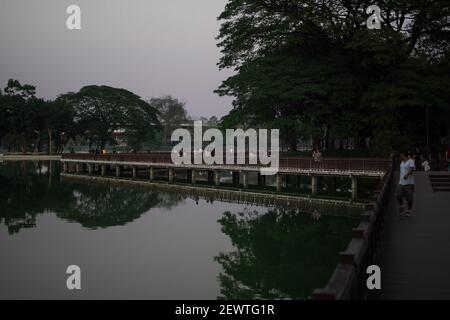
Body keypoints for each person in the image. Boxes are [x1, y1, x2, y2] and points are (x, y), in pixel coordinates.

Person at [397, 151, 416, 217]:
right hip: (401, 182)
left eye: (400, 155)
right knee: (398, 196)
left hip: (409, 183)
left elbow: (412, 169)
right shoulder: (401, 162)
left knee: (410, 199)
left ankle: (408, 210)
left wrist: (407, 175)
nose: (400, 157)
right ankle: (402, 206)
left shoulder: (410, 161)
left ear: (403, 155)